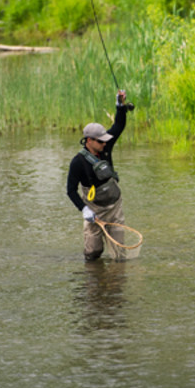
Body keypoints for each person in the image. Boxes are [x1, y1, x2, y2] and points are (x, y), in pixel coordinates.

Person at [67, 90, 131, 261]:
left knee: (119, 257)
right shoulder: (77, 162)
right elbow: (70, 190)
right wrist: (84, 209)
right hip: (94, 211)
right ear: (89, 141)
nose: (105, 143)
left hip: (114, 208)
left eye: (105, 140)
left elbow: (119, 126)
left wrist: (120, 105)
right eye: (100, 141)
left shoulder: (106, 147)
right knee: (93, 254)